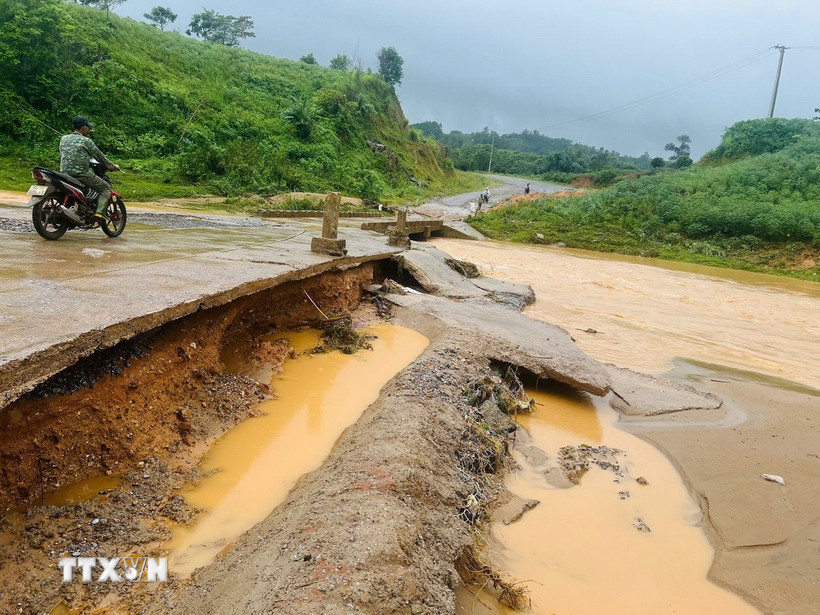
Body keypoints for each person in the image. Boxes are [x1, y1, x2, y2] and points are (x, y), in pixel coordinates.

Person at [60, 116, 120, 221]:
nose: (88, 129)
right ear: (83, 128)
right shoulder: (86, 141)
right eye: (88, 127)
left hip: (64, 174)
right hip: (80, 174)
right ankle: (99, 214)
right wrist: (112, 166)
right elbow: (100, 156)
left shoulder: (63, 138)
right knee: (106, 188)